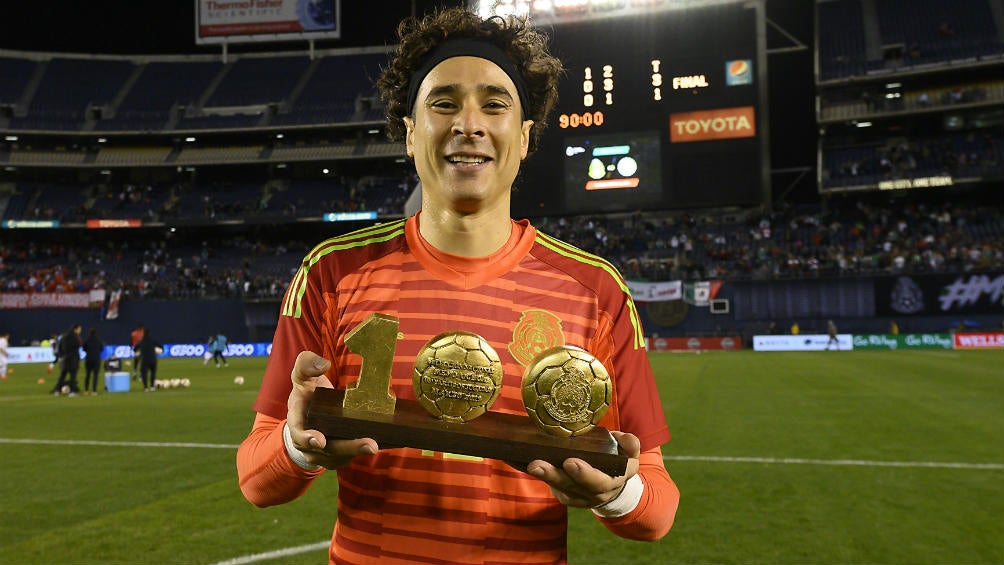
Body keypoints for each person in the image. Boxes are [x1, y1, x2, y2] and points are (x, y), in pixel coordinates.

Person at [236, 8, 679, 564]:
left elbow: (658, 504)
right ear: (409, 132)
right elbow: (256, 477)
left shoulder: (597, 290)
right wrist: (296, 449)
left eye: (494, 104)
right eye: (443, 103)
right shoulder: (331, 274)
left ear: (523, 138)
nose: (468, 123)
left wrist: (619, 495)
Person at [52, 324, 83, 396]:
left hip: (65, 359)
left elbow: (59, 348)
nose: (80, 331)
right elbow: (78, 346)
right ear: (76, 329)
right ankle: (72, 392)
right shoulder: (75, 337)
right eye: (79, 329)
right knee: (73, 376)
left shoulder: (64, 337)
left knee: (62, 375)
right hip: (73, 359)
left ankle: (57, 390)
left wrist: (62, 356)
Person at [82, 328, 104, 395]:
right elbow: (101, 349)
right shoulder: (98, 340)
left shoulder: (87, 340)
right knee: (95, 375)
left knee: (88, 375)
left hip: (88, 359)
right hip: (96, 359)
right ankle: (94, 391)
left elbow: (84, 348)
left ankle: (86, 390)